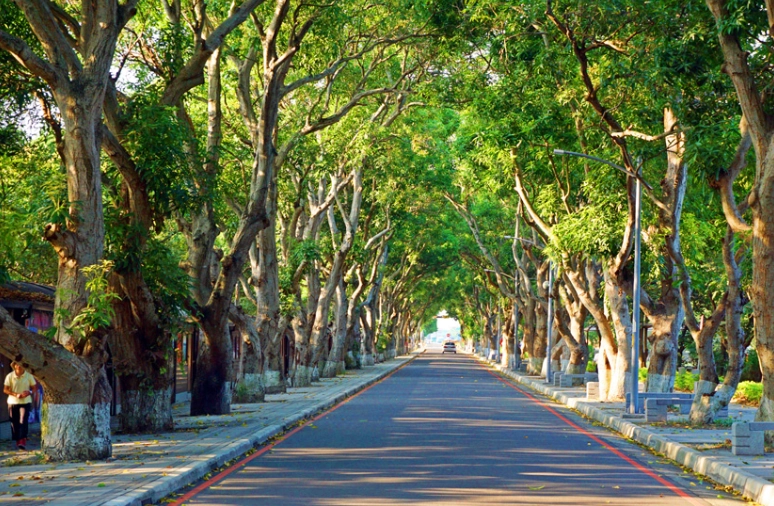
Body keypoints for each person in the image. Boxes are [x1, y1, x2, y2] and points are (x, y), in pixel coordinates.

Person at [4, 361, 37, 450]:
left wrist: (29, 392)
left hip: (25, 402)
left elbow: (34, 387)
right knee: (14, 421)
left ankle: (22, 440)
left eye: (21, 364)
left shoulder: (28, 375)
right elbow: (5, 390)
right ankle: (17, 439)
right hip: (12, 402)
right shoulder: (10, 376)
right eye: (17, 364)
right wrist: (15, 394)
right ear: (14, 366)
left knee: (23, 420)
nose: (19, 366)